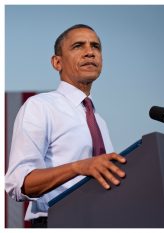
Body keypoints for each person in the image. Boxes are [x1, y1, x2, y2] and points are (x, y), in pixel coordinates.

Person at [5, 24, 127, 228]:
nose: (90, 52)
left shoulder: (100, 121)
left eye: (96, 46)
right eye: (79, 46)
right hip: (55, 222)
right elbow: (19, 183)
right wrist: (78, 167)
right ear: (57, 62)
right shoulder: (40, 106)